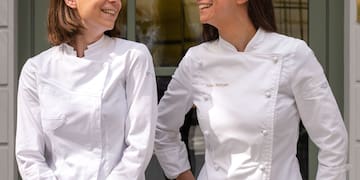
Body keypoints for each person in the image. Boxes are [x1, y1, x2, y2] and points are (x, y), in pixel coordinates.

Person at [154, 0, 348, 179]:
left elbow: (332, 140)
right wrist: (181, 174)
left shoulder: (292, 54)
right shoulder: (196, 60)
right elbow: (162, 128)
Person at [15, 0, 157, 179]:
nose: (116, 2)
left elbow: (140, 146)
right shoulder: (36, 70)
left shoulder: (133, 57)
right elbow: (29, 156)